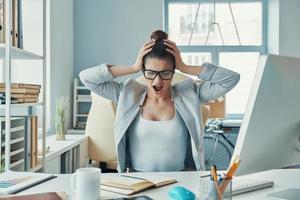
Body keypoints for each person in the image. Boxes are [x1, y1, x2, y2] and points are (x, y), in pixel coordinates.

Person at [79, 30, 240, 172]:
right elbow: (87, 78)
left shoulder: (190, 94)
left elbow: (231, 79)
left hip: (181, 181)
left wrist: (185, 67)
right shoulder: (127, 94)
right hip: (138, 182)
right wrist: (133, 67)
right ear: (143, 70)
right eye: (150, 72)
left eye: (165, 73)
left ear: (173, 71)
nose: (157, 81)